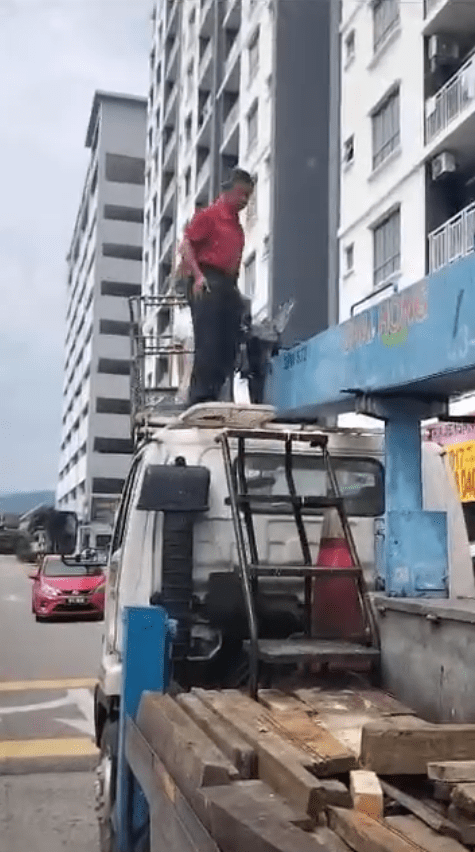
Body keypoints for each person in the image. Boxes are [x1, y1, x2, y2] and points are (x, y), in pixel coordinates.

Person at [180, 168, 255, 406]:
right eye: (241, 194)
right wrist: (198, 276)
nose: (244, 201)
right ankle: (200, 397)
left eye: (248, 197)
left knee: (230, 342)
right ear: (229, 191)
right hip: (207, 280)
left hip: (227, 284)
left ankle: (219, 391)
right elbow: (186, 245)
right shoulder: (210, 215)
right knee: (209, 341)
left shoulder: (236, 227)